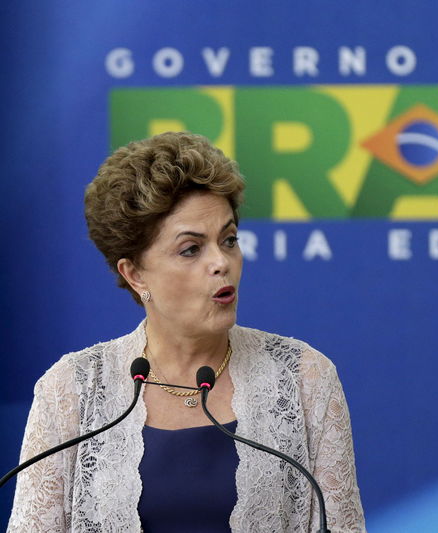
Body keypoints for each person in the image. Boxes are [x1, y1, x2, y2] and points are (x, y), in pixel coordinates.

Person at [8, 132, 366, 532]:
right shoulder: (71, 390)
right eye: (191, 249)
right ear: (134, 273)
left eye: (229, 240)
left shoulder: (303, 378)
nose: (221, 262)